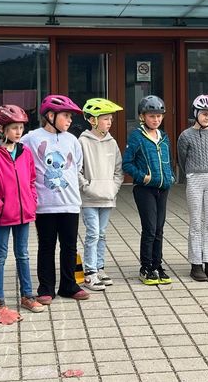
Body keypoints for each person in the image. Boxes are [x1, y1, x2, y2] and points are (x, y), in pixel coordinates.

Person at [0, 104, 44, 319]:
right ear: (1, 129)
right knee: (0, 256)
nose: (19, 132)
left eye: (21, 128)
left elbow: (32, 180)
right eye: (14, 128)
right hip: (3, 214)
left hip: (24, 212)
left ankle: (27, 295)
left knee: (23, 255)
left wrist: (32, 201)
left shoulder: (24, 152)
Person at [23, 95, 89, 304]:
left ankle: (69, 285)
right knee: (46, 246)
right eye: (66, 116)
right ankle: (46, 287)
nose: (70, 120)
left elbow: (76, 165)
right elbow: (19, 157)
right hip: (45, 205)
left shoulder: (72, 139)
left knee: (69, 246)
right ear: (50, 116)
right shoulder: (32, 138)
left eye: (70, 116)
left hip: (70, 203)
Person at [123, 95, 175, 285]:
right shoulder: (137, 136)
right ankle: (146, 267)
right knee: (150, 229)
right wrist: (142, 177)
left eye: (159, 116)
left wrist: (170, 177)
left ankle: (157, 265)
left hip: (163, 189)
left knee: (159, 229)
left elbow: (168, 160)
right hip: (144, 189)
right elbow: (127, 163)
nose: (156, 119)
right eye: (152, 116)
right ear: (142, 116)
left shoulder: (164, 137)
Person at [79, 98, 124, 291]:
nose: (109, 122)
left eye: (110, 119)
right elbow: (76, 170)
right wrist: (87, 187)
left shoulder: (111, 142)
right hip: (89, 198)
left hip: (107, 196)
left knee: (102, 233)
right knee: (93, 233)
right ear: (92, 120)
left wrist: (113, 188)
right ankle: (89, 273)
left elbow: (118, 170)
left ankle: (99, 267)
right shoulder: (82, 141)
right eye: (105, 119)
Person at [178, 94, 208, 282]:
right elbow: (182, 158)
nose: (207, 118)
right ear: (196, 113)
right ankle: (196, 264)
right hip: (194, 178)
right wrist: (189, 174)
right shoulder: (185, 135)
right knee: (196, 222)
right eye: (204, 114)